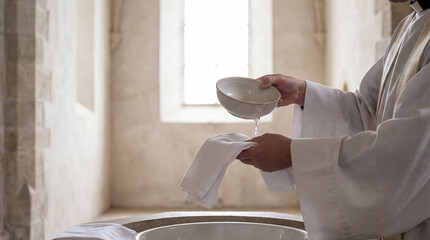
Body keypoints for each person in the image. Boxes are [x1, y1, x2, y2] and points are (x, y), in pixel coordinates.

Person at [237, 0, 430, 239]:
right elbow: (367, 111)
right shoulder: (409, 26)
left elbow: (409, 150)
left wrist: (292, 153)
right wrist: (302, 92)